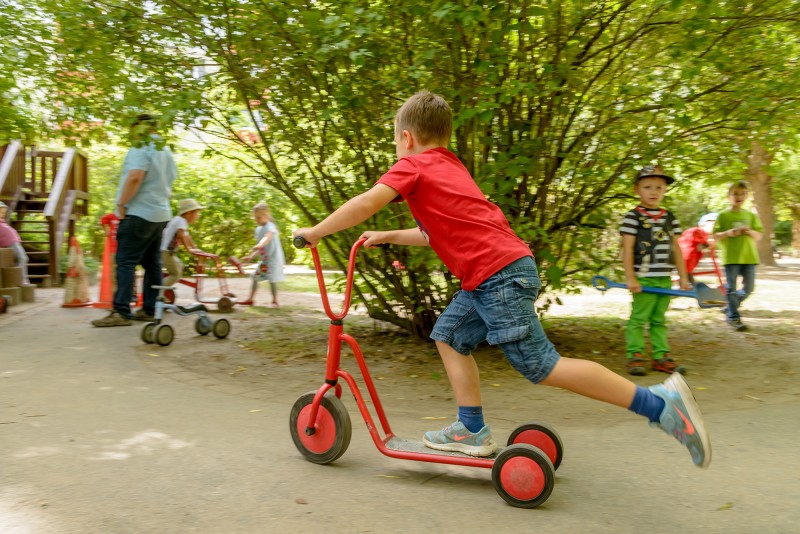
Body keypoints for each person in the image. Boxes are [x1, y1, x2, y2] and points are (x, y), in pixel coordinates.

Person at [293, 90, 711, 468]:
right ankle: (469, 428)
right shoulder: (450, 167)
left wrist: (314, 233)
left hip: (497, 277)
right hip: (498, 272)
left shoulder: (412, 165)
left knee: (542, 366)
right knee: (449, 335)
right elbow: (435, 231)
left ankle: (658, 404)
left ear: (405, 139)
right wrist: (388, 236)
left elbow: (367, 201)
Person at [92, 113, 177, 327]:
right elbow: (171, 181)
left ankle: (121, 312)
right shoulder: (165, 150)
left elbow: (135, 176)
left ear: (139, 128)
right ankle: (150, 309)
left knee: (125, 262)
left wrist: (121, 204)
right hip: (160, 214)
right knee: (152, 263)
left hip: (139, 212)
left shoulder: (141, 146)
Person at [620, 167, 690, 377]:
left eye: (659, 187)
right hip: (643, 277)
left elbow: (676, 248)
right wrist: (631, 277)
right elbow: (628, 248)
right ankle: (636, 355)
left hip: (664, 277)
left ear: (665, 190)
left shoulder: (670, 217)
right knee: (639, 318)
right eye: (647, 187)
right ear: (637, 190)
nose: (654, 192)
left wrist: (683, 277)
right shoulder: (633, 217)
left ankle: (661, 357)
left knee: (659, 319)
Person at [713, 181, 763, 331]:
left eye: (742, 194)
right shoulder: (723, 215)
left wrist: (748, 231)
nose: (739, 196)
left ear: (747, 196)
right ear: (728, 196)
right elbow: (715, 236)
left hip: (749, 257)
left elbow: (758, 235)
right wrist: (728, 233)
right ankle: (733, 317)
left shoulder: (750, 215)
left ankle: (730, 306)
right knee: (731, 289)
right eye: (735, 193)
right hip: (731, 258)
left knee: (749, 287)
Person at [244, 202, 285, 307]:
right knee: (255, 277)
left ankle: (275, 301)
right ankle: (250, 299)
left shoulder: (270, 226)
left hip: (273, 259)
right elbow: (259, 248)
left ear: (266, 215)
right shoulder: (258, 229)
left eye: (259, 217)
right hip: (264, 261)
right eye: (255, 217)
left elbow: (268, 237)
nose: (256, 220)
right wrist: (250, 256)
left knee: (272, 280)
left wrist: (260, 244)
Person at [160, 198, 205, 288]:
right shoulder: (181, 221)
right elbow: (181, 235)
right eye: (196, 213)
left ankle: (162, 286)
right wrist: (189, 249)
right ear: (188, 213)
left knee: (179, 266)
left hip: (168, 252)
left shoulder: (180, 221)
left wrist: (195, 248)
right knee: (175, 275)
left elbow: (187, 237)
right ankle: (157, 292)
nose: (197, 216)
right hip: (165, 252)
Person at [678, 212, 718, 279]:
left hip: (687, 264)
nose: (715, 227)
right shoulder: (698, 231)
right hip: (685, 261)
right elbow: (705, 244)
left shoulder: (700, 234)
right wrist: (712, 240)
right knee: (686, 282)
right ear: (703, 224)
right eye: (713, 224)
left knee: (687, 280)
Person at [0, 201, 30, 284]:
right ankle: (22, 279)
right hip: (10, 243)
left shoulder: (2, 222)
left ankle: (21, 278)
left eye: (3, 212)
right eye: (0, 212)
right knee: (22, 258)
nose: (2, 214)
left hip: (14, 242)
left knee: (23, 258)